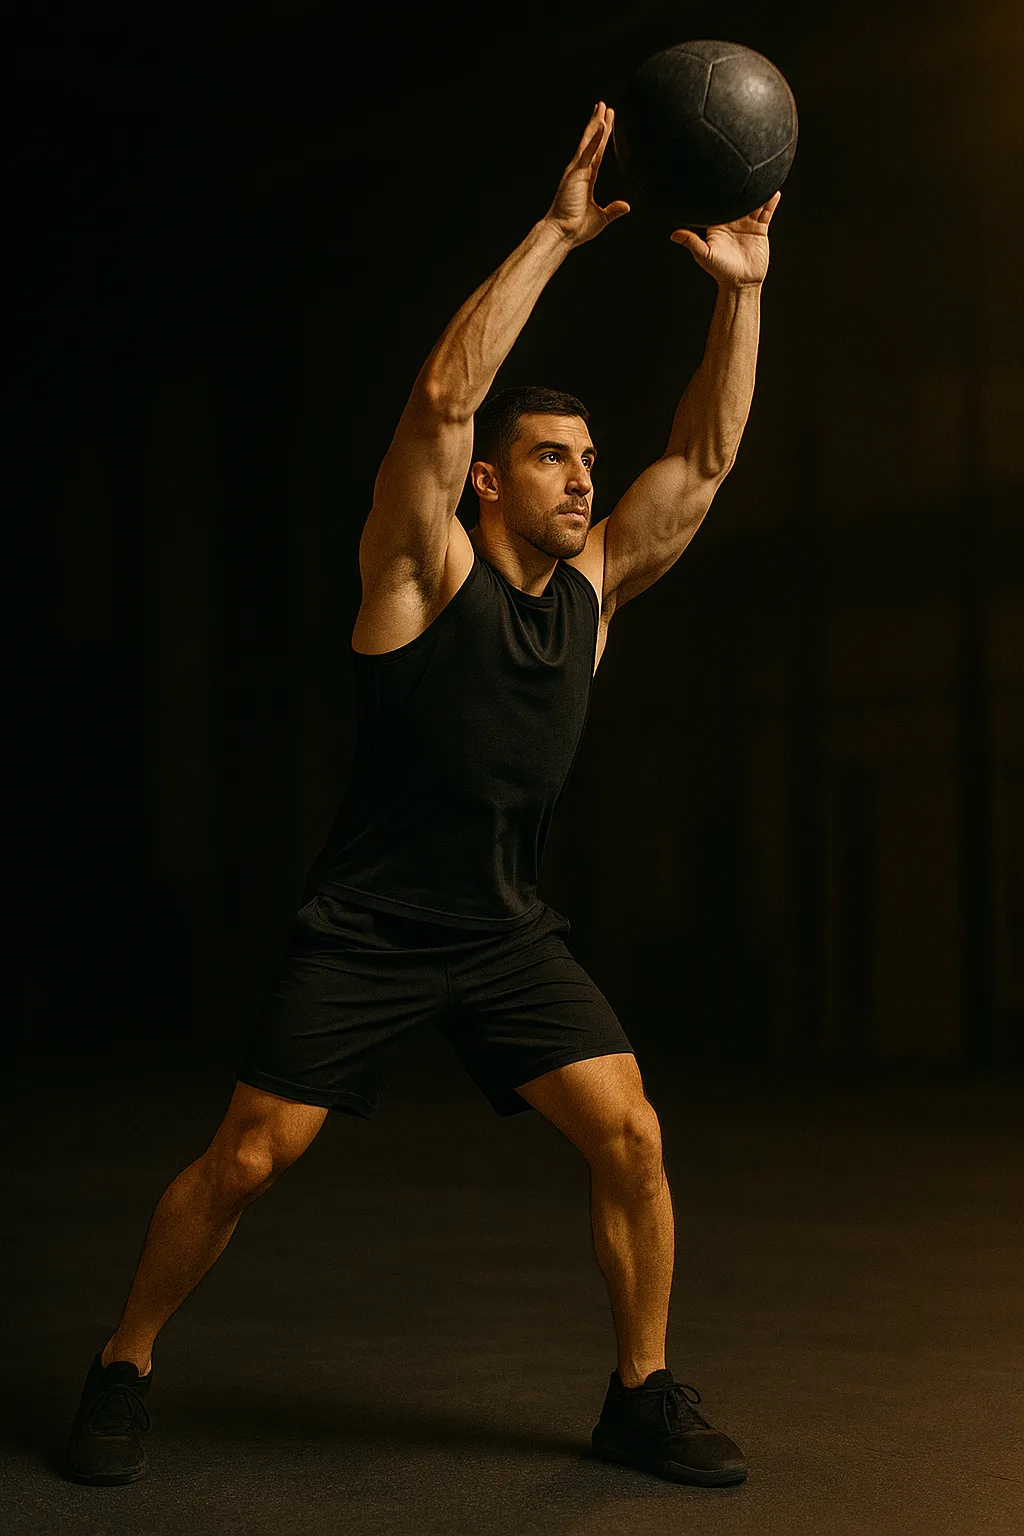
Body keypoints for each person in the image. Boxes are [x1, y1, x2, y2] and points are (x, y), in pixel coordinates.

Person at [67, 101, 779, 1490]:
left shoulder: (593, 595)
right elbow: (445, 404)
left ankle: (638, 1394)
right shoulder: (417, 576)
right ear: (489, 486)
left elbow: (704, 460)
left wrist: (743, 297)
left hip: (504, 931)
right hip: (371, 926)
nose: (583, 476)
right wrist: (557, 233)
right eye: (555, 457)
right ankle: (122, 1364)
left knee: (632, 1135)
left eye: (587, 458)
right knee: (247, 1161)